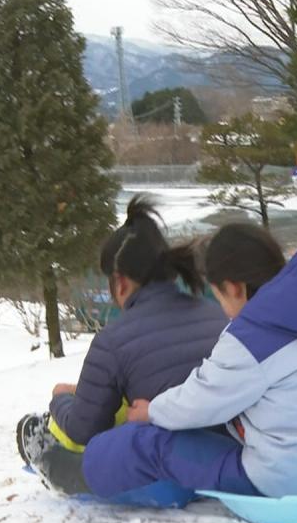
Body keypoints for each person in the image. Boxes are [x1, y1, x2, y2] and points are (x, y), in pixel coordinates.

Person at [77, 223, 297, 501]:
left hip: (288, 478)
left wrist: (152, 412)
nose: (222, 309)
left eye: (218, 296)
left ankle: (83, 471)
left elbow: (200, 400)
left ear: (234, 288)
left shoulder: (252, 337)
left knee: (152, 444)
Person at [16, 194, 229, 492]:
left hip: (166, 466)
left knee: (81, 436)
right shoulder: (217, 313)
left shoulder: (114, 339)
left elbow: (83, 429)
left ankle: (52, 459)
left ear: (120, 281)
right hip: (227, 450)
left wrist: (60, 398)